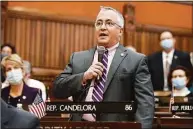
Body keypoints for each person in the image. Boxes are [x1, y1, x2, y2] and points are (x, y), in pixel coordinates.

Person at [53, 6, 154, 129]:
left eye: (109, 23)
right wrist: (83, 77)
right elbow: (57, 89)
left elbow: (145, 104)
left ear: (120, 31)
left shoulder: (136, 60)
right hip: (81, 125)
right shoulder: (78, 58)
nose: (103, 27)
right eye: (99, 23)